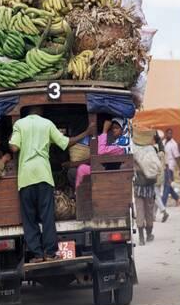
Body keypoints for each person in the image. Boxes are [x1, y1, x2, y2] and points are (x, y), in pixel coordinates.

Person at [8, 106, 94, 263]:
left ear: (27, 112)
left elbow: (14, 147)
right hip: (44, 175)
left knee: (29, 218)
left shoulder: (19, 124)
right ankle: (50, 252)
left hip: (26, 177)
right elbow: (66, 142)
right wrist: (87, 133)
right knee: (47, 215)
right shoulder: (47, 124)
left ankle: (37, 254)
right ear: (41, 112)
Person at [74, 118, 125, 190]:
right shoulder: (116, 142)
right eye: (113, 128)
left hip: (110, 174)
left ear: (123, 130)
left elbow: (101, 151)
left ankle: (80, 194)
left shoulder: (121, 146)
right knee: (82, 169)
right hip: (107, 171)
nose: (114, 130)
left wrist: (104, 131)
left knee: (82, 169)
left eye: (117, 128)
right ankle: (81, 193)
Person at [133, 139, 162, 245]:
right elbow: (158, 164)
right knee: (149, 212)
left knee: (140, 211)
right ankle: (149, 235)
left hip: (138, 187)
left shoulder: (135, 151)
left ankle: (141, 238)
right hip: (149, 187)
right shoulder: (152, 150)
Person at [162, 128, 180, 206]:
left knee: (166, 185)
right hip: (163, 166)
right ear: (166, 133)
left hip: (170, 166)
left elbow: (177, 157)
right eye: (168, 133)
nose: (169, 135)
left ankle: (162, 203)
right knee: (167, 185)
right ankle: (177, 198)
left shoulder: (173, 144)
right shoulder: (163, 142)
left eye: (171, 133)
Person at [153, 132, 169, 222]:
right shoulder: (161, 150)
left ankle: (164, 211)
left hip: (154, 175)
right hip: (161, 175)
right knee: (157, 195)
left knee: (155, 196)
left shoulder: (153, 148)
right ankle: (153, 216)